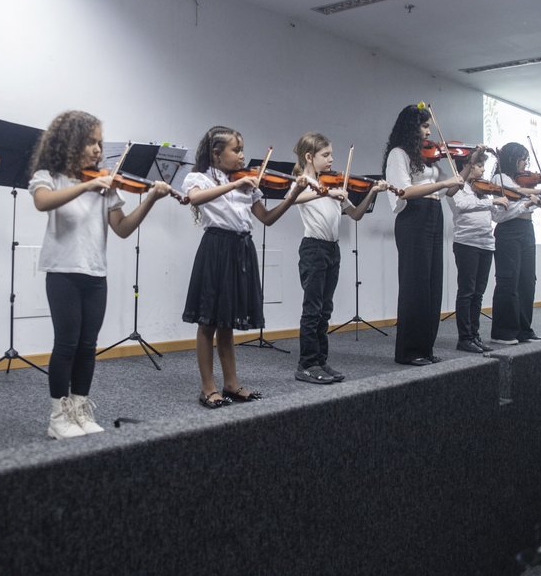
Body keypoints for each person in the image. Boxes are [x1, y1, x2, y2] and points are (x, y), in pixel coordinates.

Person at [28, 111, 171, 439]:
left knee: (88, 345)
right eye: (91, 142)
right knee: (66, 344)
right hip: (63, 272)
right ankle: (57, 417)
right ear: (71, 142)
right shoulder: (50, 175)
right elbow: (43, 202)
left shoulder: (105, 184)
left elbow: (122, 228)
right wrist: (89, 184)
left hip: (96, 274)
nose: (97, 149)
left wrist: (149, 199)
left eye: (100, 142)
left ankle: (79, 409)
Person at [182, 126, 309, 408]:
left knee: (226, 323)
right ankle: (207, 387)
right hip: (216, 248)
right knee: (208, 323)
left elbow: (267, 218)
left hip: (242, 250)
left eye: (241, 149)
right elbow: (194, 198)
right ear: (216, 153)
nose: (241, 156)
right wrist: (233, 185)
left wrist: (291, 196)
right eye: (235, 150)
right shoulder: (199, 178)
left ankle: (231, 383)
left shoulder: (247, 183)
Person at [291, 132, 390, 383]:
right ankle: (306, 364)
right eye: (326, 155)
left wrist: (372, 192)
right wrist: (326, 193)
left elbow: (356, 214)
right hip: (313, 248)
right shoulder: (302, 182)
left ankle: (321, 362)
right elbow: (294, 199)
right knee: (312, 310)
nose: (332, 159)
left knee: (325, 309)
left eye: (332, 154)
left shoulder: (333, 186)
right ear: (309, 157)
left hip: (332, 250)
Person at [382, 105, 463, 366]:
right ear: (411, 127)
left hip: (434, 213)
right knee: (414, 284)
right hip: (413, 216)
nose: (429, 131)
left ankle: (425, 348)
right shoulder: (399, 153)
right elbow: (403, 191)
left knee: (432, 283)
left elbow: (447, 192)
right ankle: (409, 351)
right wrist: (442, 183)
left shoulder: (427, 157)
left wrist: (463, 172)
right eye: (424, 126)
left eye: (429, 126)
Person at [489, 142, 541, 345]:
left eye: (527, 158)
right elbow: (500, 215)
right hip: (509, 231)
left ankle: (524, 330)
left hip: (527, 230)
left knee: (527, 281)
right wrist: (531, 198)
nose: (526, 163)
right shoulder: (500, 179)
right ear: (511, 158)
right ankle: (503, 332)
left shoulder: (525, 183)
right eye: (522, 158)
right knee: (508, 281)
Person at [444, 147, 511, 353]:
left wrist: (499, 203)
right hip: (467, 243)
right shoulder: (457, 186)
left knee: (478, 293)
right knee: (467, 292)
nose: (483, 170)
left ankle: (474, 335)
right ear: (469, 165)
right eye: (479, 165)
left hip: (486, 243)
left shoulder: (482, 189)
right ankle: (464, 338)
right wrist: (492, 202)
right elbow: (463, 205)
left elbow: (494, 216)